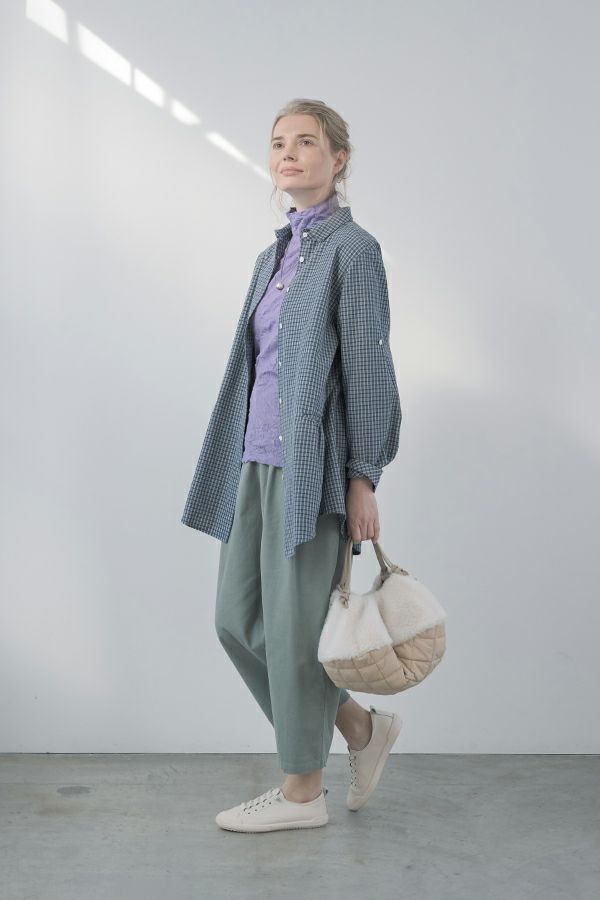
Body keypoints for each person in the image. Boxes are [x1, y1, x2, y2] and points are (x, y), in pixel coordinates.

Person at [181, 98, 402, 832]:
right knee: (236, 622)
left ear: (338, 159)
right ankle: (359, 727)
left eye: (306, 141)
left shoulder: (353, 250)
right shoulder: (270, 259)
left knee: (297, 631)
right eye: (279, 142)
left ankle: (303, 793)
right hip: (251, 462)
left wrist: (363, 476)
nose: (288, 153)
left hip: (313, 473)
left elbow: (369, 371)